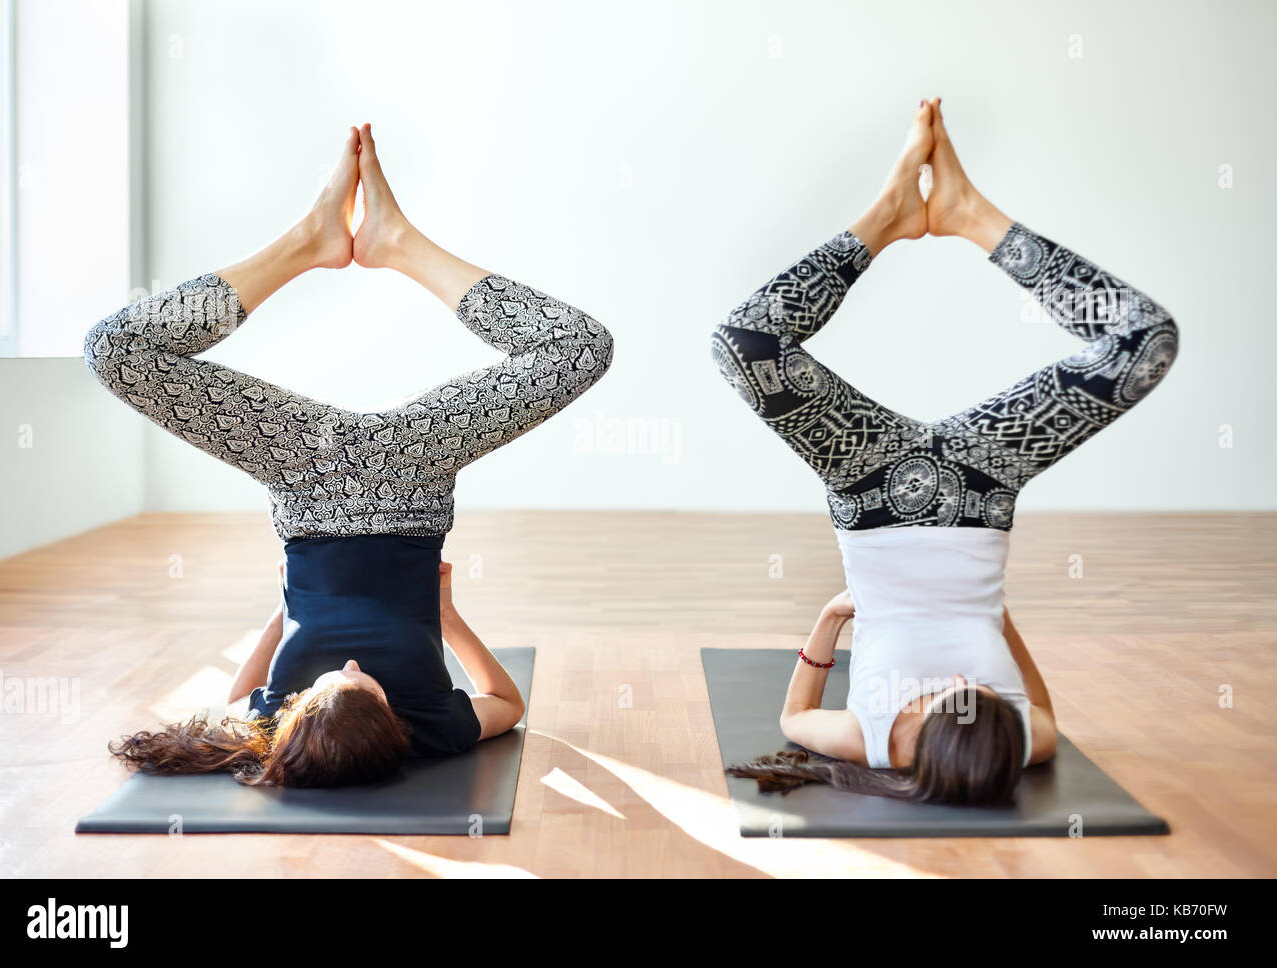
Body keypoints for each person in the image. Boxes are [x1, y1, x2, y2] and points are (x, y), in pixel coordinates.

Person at [86, 124, 614, 787]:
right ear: (393, 720)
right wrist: (448, 619)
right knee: (580, 349)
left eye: (340, 681)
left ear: (302, 707)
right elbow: (508, 705)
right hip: (410, 477)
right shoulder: (428, 726)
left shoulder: (278, 721)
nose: (358, 670)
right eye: (372, 688)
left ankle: (306, 243)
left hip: (305, 478)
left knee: (115, 351)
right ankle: (402, 246)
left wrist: (279, 613)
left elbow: (231, 704)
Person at [712, 99, 1178, 805]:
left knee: (745, 347)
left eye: (948, 702)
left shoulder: (871, 736)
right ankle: (970, 216)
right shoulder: (1017, 736)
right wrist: (995, 617)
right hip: (982, 486)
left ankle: (886, 218)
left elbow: (794, 719)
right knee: (1147, 342)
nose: (964, 686)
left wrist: (826, 624)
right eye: (982, 695)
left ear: (921, 742)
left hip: (873, 490)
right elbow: (1041, 715)